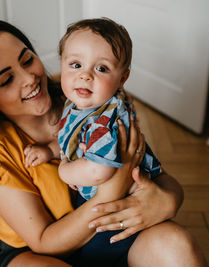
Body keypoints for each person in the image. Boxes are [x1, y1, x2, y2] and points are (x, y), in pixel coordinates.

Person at [0, 19, 206, 266]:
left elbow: (153, 171)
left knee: (176, 246)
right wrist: (110, 191)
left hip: (108, 235)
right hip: (39, 252)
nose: (29, 78)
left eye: (27, 60)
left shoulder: (90, 100)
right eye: (6, 79)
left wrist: (168, 201)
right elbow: (43, 241)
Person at [25, 18, 162, 201]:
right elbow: (74, 137)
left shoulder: (104, 122)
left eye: (101, 68)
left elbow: (97, 171)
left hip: (125, 200)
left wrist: (64, 169)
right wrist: (50, 151)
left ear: (122, 79)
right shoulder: (78, 103)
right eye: (76, 65)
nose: (85, 75)